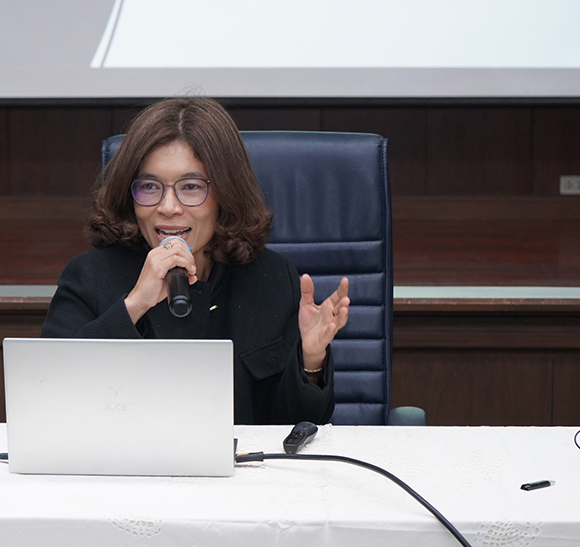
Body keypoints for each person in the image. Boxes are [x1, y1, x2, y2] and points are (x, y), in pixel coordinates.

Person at [40, 97, 349, 425]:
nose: (168, 207)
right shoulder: (90, 276)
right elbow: (49, 395)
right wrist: (134, 306)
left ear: (226, 194)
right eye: (149, 186)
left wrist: (311, 359)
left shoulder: (271, 278)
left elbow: (295, 426)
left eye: (190, 187)